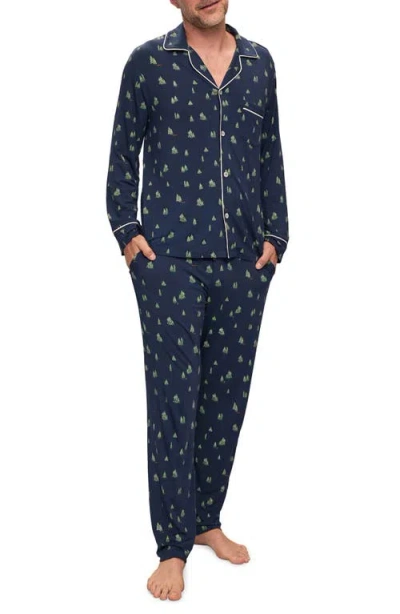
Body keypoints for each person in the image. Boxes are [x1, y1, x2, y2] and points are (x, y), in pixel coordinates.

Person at [105, 0, 289, 601]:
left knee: (226, 397)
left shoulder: (259, 64)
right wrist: (128, 234)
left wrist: (277, 238)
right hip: (169, 263)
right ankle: (172, 547)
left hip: (244, 263)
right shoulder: (147, 63)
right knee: (174, 401)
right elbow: (122, 156)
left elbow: (270, 154)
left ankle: (206, 519)